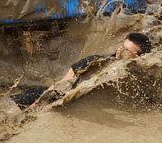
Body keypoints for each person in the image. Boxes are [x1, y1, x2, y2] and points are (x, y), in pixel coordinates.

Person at [10, 32, 152, 109]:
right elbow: (61, 86)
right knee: (9, 104)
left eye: (127, 51)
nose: (120, 51)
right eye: (121, 47)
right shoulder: (94, 62)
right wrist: (35, 106)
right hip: (42, 95)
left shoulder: (140, 73)